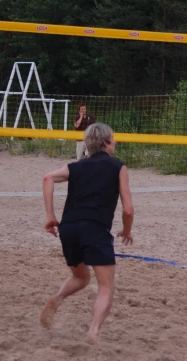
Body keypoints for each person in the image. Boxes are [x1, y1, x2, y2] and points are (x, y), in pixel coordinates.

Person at [40, 122, 134, 343]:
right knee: (106, 287)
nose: (116, 142)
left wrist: (50, 217)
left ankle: (58, 297)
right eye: (113, 138)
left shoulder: (77, 166)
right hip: (95, 228)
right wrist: (127, 231)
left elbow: (47, 178)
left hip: (69, 228)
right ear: (106, 142)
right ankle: (93, 331)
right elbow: (128, 209)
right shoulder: (118, 167)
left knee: (80, 277)